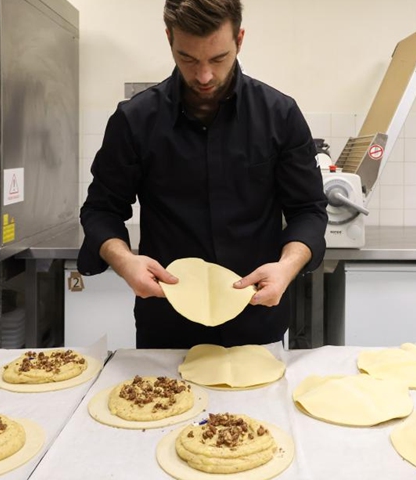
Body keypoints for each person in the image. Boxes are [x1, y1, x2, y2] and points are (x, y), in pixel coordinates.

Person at [78, 0, 328, 349]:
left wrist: (287, 267)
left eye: (218, 58)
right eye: (189, 59)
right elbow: (101, 210)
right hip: (167, 327)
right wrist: (125, 262)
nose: (204, 76)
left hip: (256, 324)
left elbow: (308, 211)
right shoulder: (135, 120)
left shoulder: (279, 115)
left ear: (239, 39)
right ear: (169, 39)